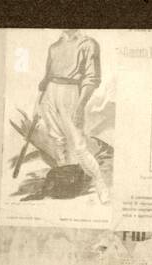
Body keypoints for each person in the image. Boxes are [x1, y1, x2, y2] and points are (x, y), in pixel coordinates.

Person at [36, 28, 109, 203]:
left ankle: (101, 185)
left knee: (78, 145)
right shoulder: (54, 46)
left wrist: (80, 105)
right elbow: (46, 78)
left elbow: (92, 78)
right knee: (57, 140)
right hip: (49, 94)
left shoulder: (88, 44)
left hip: (71, 94)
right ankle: (66, 181)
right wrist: (39, 100)